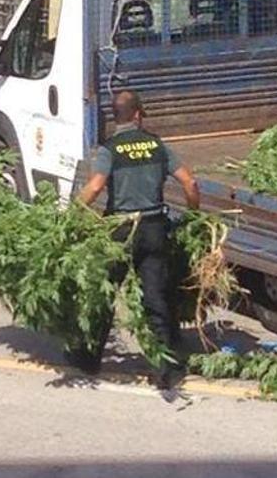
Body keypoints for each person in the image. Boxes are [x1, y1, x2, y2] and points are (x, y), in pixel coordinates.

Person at [74, 90, 200, 388]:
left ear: (116, 117)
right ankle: (167, 368)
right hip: (154, 228)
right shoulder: (157, 146)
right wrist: (194, 216)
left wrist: (71, 217)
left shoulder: (109, 149)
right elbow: (189, 182)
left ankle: (89, 357)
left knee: (104, 290)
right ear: (138, 114)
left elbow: (94, 188)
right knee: (155, 296)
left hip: (120, 229)